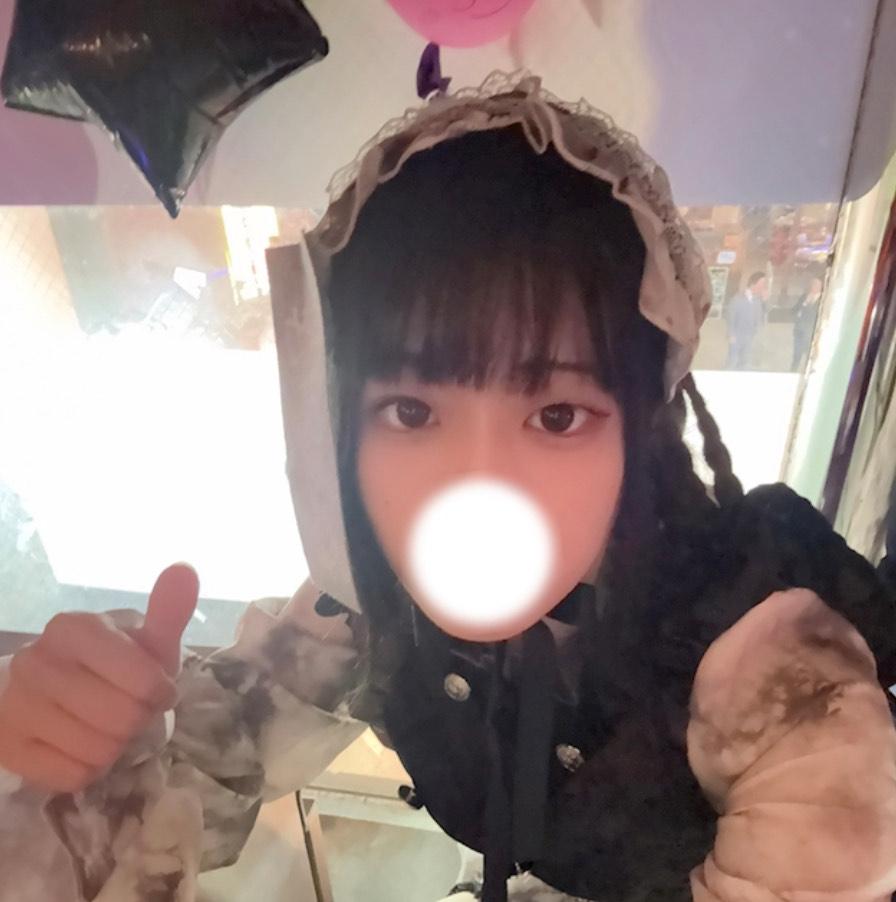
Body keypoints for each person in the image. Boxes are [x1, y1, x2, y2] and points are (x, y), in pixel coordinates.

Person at [1, 75, 895, 902]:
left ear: (641, 426)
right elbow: (205, 768)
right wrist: (88, 758)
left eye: (556, 416)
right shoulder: (366, 606)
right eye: (411, 411)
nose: (478, 486)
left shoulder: (770, 666)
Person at [724, 271, 768, 369]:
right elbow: (730, 317)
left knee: (744, 360)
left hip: (750, 335)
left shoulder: (758, 300)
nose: (763, 287)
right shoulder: (738, 298)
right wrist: (731, 334)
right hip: (737, 335)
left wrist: (765, 301)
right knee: (732, 360)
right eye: (761, 284)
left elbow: (765, 312)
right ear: (753, 284)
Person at [791, 275, 823, 370]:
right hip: (799, 331)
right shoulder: (804, 297)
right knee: (796, 356)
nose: (813, 287)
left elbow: (813, 314)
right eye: (812, 284)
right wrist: (804, 303)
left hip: (811, 333)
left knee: (809, 357)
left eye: (816, 285)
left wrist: (807, 306)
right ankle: (793, 371)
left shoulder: (822, 300)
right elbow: (794, 311)